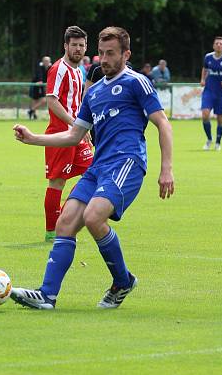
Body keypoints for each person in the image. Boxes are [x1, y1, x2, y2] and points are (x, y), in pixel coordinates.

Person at [9, 26, 175, 310]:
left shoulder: (138, 82)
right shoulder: (94, 92)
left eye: (111, 53)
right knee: (66, 221)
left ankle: (122, 281)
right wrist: (34, 139)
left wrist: (166, 169)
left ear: (126, 54)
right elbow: (74, 135)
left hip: (127, 162)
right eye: (101, 53)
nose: (104, 59)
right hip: (99, 166)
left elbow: (162, 123)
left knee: (94, 216)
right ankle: (47, 295)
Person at [41, 26, 94, 242]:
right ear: (65, 46)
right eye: (74, 45)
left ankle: (66, 214)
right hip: (60, 135)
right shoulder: (58, 68)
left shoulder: (79, 71)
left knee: (95, 172)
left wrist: (84, 128)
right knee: (58, 182)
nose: (78, 49)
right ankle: (52, 232)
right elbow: (51, 101)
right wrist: (75, 125)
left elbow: (78, 102)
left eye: (82, 45)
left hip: (76, 133)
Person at [27, 56, 52, 120]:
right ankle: (33, 114)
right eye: (45, 61)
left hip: (42, 86)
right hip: (36, 86)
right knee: (35, 100)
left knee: (43, 100)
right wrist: (40, 80)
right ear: (43, 61)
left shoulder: (50, 68)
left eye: (48, 61)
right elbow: (38, 75)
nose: (46, 62)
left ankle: (31, 110)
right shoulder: (39, 67)